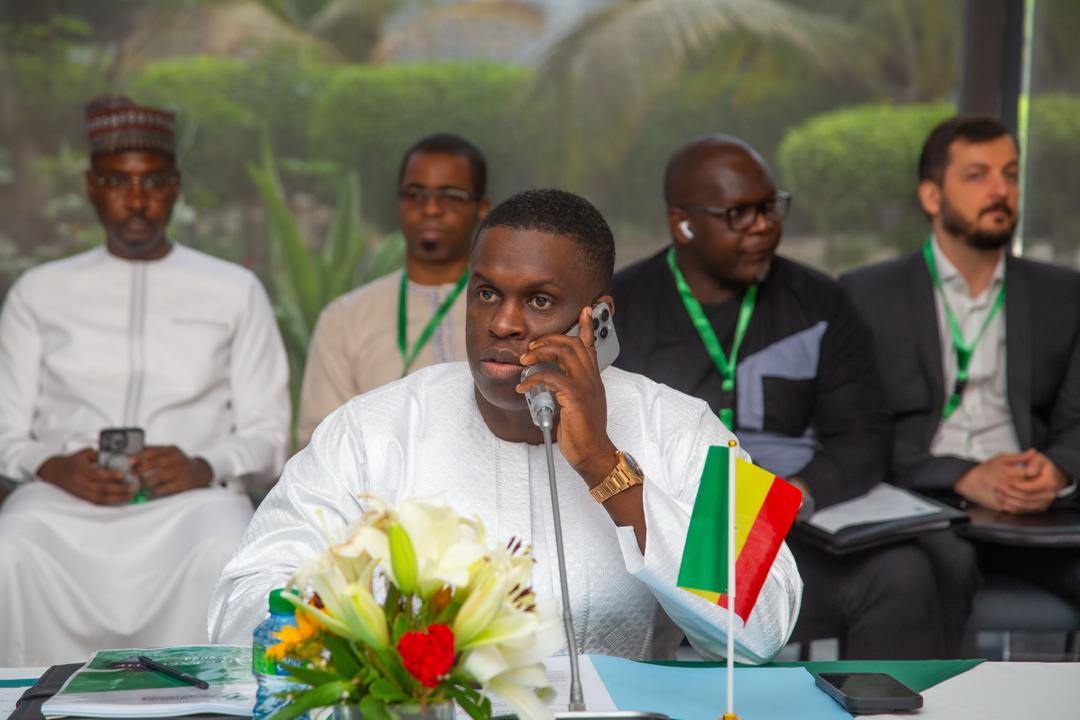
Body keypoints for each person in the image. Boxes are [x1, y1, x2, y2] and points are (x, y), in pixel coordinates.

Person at [210, 189, 802, 664]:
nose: (504, 322)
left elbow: (768, 620)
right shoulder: (372, 428)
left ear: (597, 320)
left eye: (540, 301)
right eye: (487, 293)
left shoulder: (681, 425)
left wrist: (605, 465)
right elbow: (246, 597)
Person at [611, 134, 977, 659]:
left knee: (904, 573)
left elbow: (864, 435)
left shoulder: (820, 301)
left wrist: (799, 491)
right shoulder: (624, 307)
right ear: (683, 224)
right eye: (739, 213)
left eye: (769, 207)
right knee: (658, 593)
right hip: (676, 519)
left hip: (791, 522)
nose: (763, 225)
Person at [0, 96, 290, 665]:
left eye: (152, 181)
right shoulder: (40, 290)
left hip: (189, 504)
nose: (135, 199)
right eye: (117, 180)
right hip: (62, 503)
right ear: (90, 186)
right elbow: (6, 431)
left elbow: (268, 436)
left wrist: (202, 465)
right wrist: (53, 467)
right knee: (11, 544)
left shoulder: (232, 289)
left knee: (227, 544)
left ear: (175, 186)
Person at [842, 115, 1080, 606]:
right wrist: (960, 474)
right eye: (978, 176)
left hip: (1035, 509)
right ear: (932, 196)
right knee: (920, 576)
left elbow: (1077, 423)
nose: (1000, 190)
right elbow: (854, 431)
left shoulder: (1063, 294)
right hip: (924, 504)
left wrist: (1057, 471)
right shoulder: (867, 295)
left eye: (1010, 175)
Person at [297, 134, 491, 445]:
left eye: (450, 195)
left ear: (481, 208)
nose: (430, 208)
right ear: (399, 203)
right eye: (415, 194)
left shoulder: (508, 314)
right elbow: (319, 440)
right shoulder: (346, 318)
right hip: (380, 491)